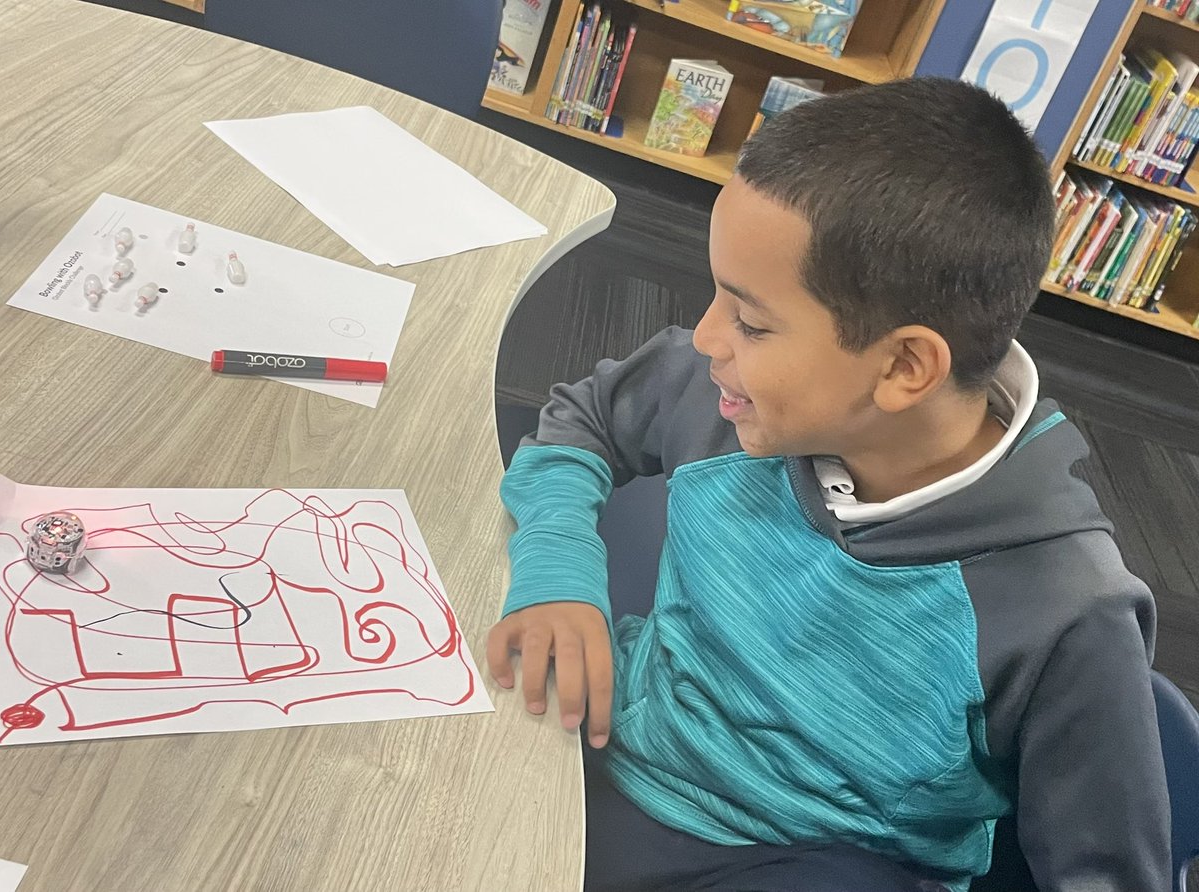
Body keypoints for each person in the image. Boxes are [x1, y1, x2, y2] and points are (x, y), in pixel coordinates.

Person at [486, 77, 1170, 892]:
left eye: (751, 320)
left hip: (810, 859)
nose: (705, 337)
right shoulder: (740, 395)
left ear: (904, 366)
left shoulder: (1070, 616)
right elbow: (582, 418)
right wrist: (558, 571)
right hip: (611, 742)